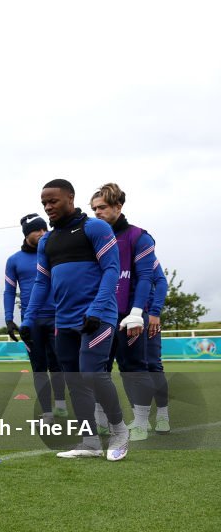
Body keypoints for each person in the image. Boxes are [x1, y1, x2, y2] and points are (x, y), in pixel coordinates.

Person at [21, 179, 129, 461]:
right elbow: (41, 284)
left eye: (53, 201)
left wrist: (97, 308)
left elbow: (111, 270)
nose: (47, 206)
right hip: (64, 321)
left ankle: (119, 431)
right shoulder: (47, 240)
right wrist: (28, 320)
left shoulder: (95, 228)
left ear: (70, 198)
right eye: (44, 202)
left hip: (98, 317)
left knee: (93, 374)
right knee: (74, 380)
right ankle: (90, 442)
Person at [89, 183, 160, 441]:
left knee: (133, 368)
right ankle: (100, 421)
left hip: (128, 315)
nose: (97, 212)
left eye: (103, 207)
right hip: (100, 316)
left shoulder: (138, 236)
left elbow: (144, 278)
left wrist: (137, 312)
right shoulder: (92, 237)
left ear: (118, 207)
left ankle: (141, 421)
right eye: (94, 208)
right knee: (98, 368)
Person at [3, 214, 67, 423]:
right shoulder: (14, 260)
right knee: (39, 367)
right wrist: (9, 318)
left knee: (58, 364)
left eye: (44, 229)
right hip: (31, 322)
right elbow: (9, 291)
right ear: (26, 234)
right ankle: (47, 413)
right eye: (36, 230)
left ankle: (61, 406)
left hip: (57, 317)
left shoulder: (54, 252)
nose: (42, 233)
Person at [146, 261, 170, 433]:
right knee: (130, 368)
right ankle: (140, 418)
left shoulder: (143, 249)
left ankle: (163, 416)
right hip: (119, 315)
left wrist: (154, 312)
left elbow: (161, 281)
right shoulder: (109, 250)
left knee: (153, 365)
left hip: (147, 316)